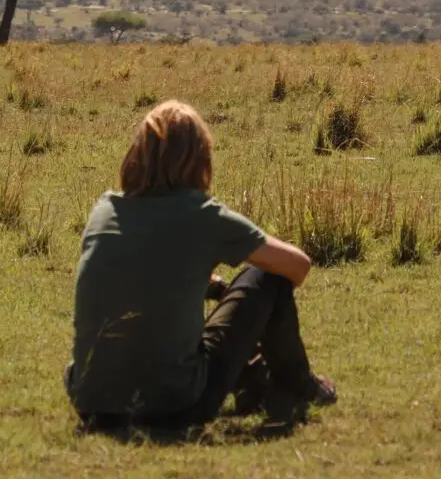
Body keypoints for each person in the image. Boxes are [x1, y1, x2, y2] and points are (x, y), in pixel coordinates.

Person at [64, 99, 336, 429]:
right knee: (268, 276)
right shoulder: (202, 215)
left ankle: (257, 381)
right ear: (200, 158)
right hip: (174, 406)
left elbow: (141, 275)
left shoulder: (104, 210)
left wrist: (205, 283)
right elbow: (297, 266)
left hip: (93, 404)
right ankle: (298, 387)